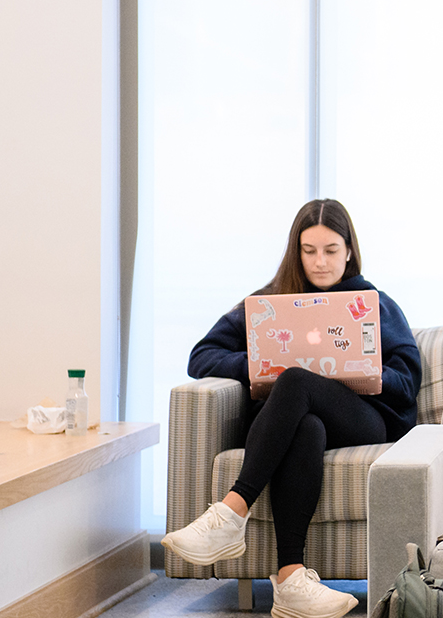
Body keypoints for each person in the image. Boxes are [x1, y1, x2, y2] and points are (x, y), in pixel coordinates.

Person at [165, 199, 420, 618]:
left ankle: (231, 512)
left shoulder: (371, 300)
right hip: (291, 419)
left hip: (363, 417)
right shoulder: (271, 302)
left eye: (331, 250)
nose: (320, 262)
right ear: (295, 251)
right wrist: (258, 364)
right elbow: (201, 356)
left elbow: (407, 378)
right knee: (306, 426)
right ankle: (290, 581)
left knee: (298, 379)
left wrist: (360, 368)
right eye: (309, 250)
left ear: (350, 250)